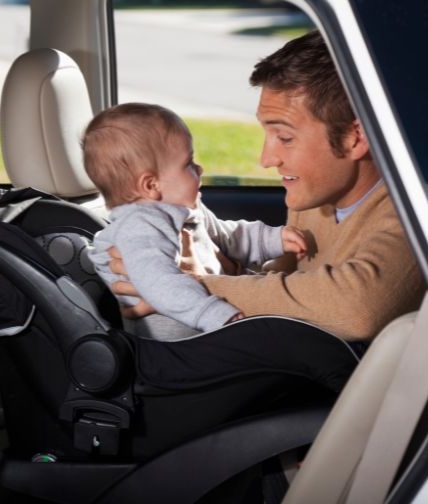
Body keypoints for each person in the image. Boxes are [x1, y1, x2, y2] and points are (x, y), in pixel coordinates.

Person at [110, 30, 425, 343]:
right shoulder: (316, 199)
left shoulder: (415, 214)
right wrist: (222, 268)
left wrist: (184, 288)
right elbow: (286, 288)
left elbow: (357, 310)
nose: (266, 159)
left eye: (285, 138)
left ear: (354, 138)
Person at [84, 103, 308, 341]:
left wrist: (272, 238)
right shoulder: (139, 226)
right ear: (151, 185)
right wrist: (214, 313)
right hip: (180, 349)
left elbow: (228, 237)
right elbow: (160, 282)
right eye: (188, 163)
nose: (200, 168)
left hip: (207, 332)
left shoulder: (187, 210)